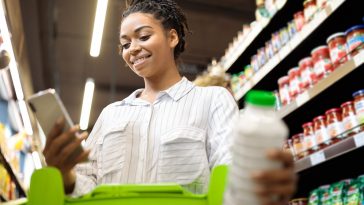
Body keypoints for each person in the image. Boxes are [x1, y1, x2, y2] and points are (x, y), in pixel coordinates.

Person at [43, 0, 296, 204]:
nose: (132, 48)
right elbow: (87, 187)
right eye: (125, 44)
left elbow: (231, 175)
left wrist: (258, 184)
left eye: (143, 36)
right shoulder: (111, 115)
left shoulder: (212, 100)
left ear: (172, 37)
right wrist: (65, 174)